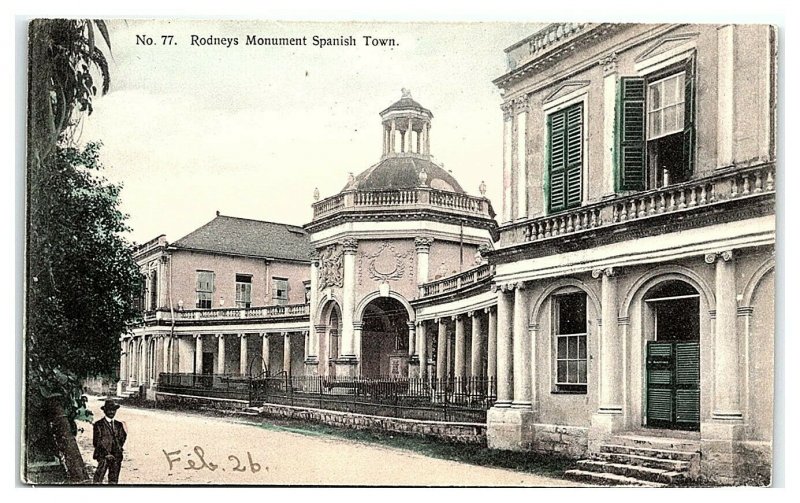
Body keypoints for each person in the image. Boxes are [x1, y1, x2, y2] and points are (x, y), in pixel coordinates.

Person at [92, 399, 127, 484]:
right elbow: (96, 442)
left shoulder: (119, 425)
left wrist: (117, 450)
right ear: (105, 411)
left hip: (116, 456)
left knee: (114, 479)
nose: (112, 412)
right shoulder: (98, 424)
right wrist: (106, 454)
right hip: (103, 456)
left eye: (113, 410)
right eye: (109, 410)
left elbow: (122, 438)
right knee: (98, 478)